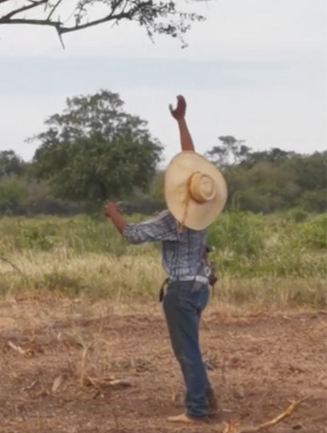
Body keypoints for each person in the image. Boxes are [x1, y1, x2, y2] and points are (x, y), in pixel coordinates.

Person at [104, 95, 227, 424]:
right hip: (200, 287)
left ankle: (197, 410)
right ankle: (206, 401)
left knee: (187, 352)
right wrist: (181, 122)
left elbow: (131, 235)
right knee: (191, 347)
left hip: (181, 290)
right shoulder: (202, 212)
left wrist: (113, 214)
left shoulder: (172, 219)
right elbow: (193, 165)